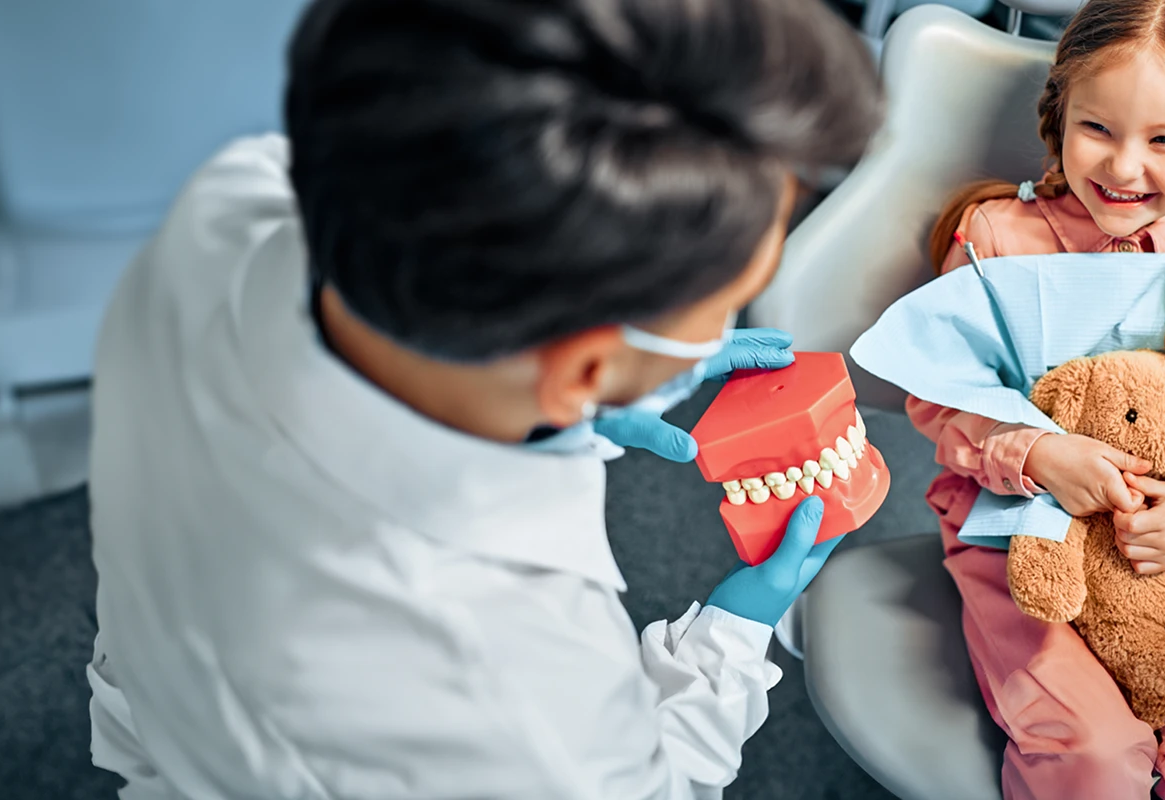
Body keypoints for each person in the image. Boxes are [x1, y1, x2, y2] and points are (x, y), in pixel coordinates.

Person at [84, 0, 881, 797]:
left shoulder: (221, 208)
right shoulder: (507, 683)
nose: (724, 328)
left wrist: (564, 413)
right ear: (580, 370)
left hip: (168, 689)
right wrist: (732, 640)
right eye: (729, 300)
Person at [909, 0, 1165, 797]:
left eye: (1164, 140)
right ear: (1061, 111)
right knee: (1089, 754)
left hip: (1163, 555)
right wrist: (1038, 453)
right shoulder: (993, 237)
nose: (1124, 169)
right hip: (1015, 539)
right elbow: (938, 400)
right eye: (1100, 130)